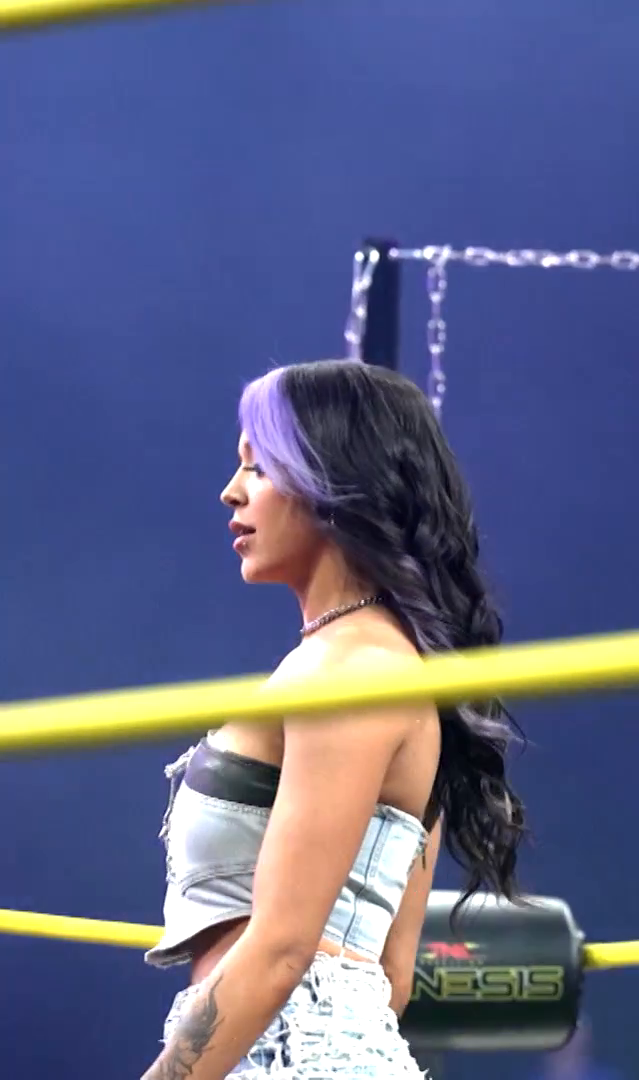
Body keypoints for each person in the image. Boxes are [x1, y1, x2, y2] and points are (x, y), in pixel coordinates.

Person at [141, 359, 529, 1079]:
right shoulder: (380, 662)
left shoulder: (353, 671)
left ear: (332, 485)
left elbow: (282, 949)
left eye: (258, 467)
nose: (231, 491)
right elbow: (392, 972)